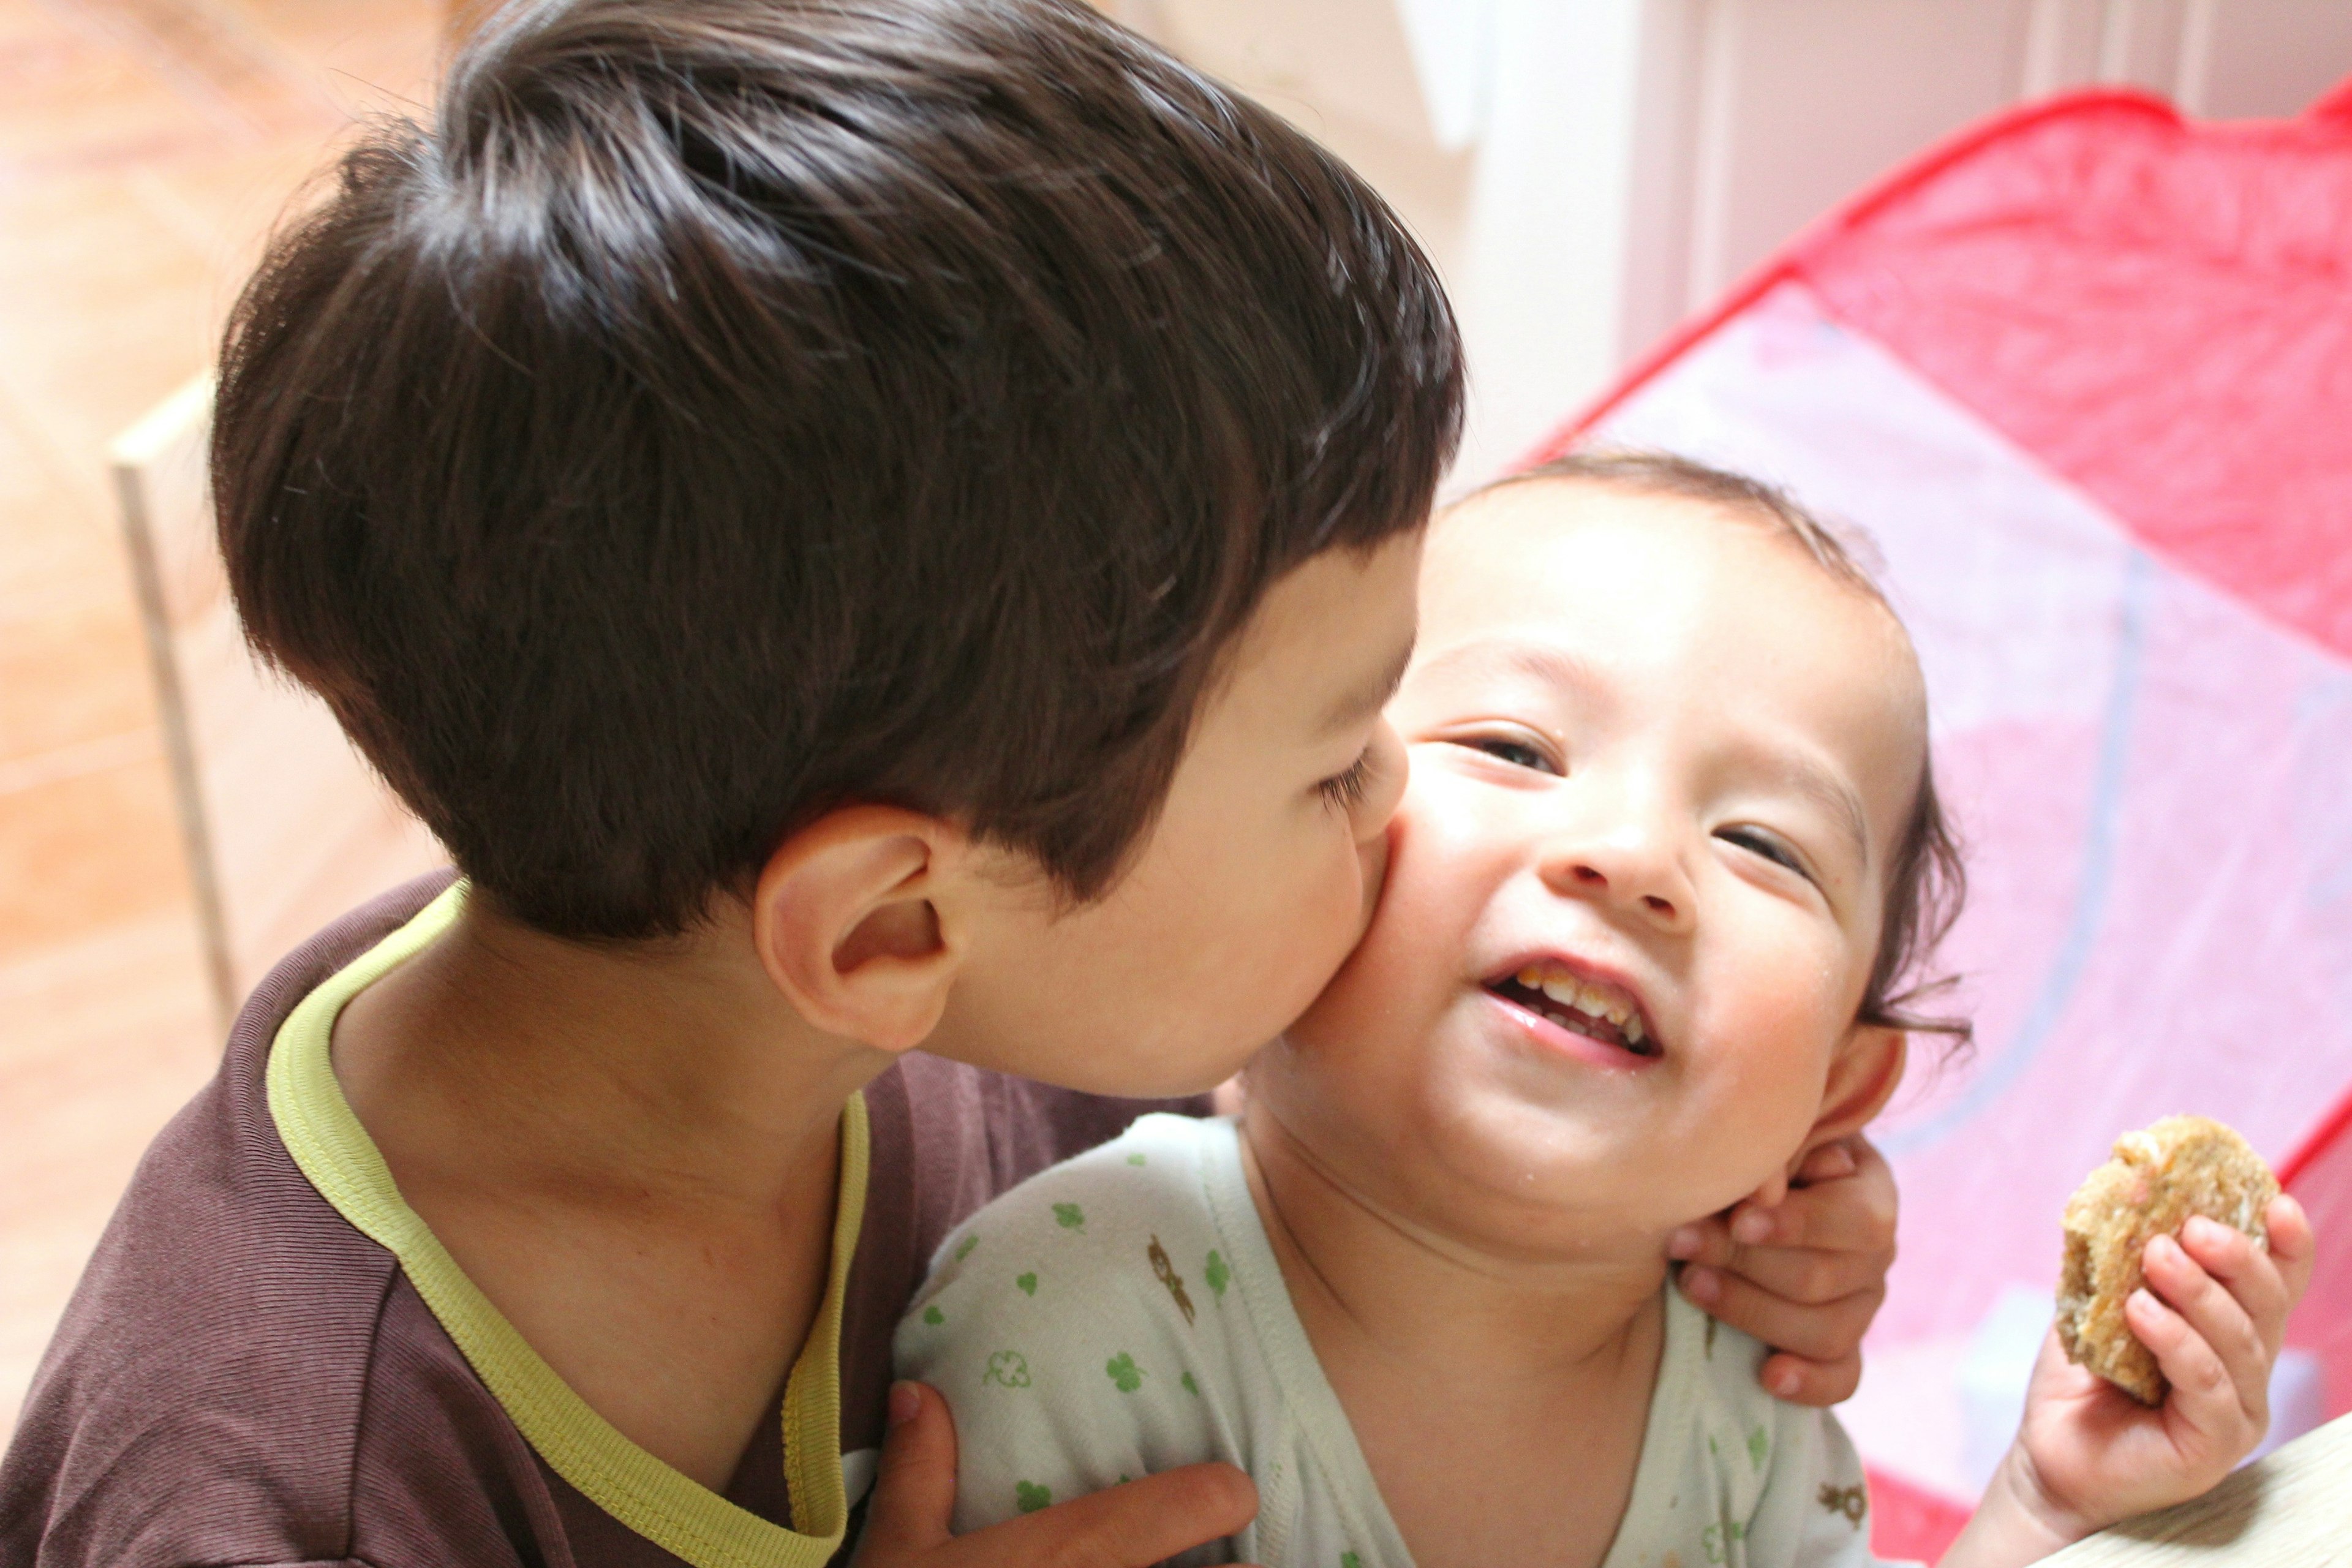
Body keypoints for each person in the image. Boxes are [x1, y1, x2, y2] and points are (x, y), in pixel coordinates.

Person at [0, 3, 1902, 1561]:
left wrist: (1727, 1204)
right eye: (1337, 768)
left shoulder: (790, 907)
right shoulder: (253, 1489)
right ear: (891, 923)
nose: (1414, 809)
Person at [895, 453, 2318, 1568]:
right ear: (1292, 834)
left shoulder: (1750, 1391)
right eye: (1515, 746)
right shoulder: (1080, 1297)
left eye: (1764, 844)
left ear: (1832, 1094)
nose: (1635, 858)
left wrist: (2042, 1500)